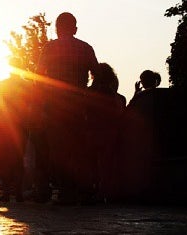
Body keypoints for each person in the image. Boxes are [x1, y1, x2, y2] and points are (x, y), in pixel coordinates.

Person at [35, 12, 100, 205]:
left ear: (56, 28)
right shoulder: (85, 48)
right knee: (77, 147)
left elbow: (39, 77)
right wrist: (88, 95)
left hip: (54, 105)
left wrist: (40, 103)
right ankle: (77, 189)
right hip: (78, 105)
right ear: (75, 28)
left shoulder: (49, 48)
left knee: (57, 148)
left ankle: (62, 188)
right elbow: (98, 75)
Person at [84, 63, 126, 203]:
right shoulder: (114, 95)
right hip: (109, 131)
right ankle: (104, 191)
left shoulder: (89, 92)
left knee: (92, 163)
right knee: (106, 164)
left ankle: (93, 190)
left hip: (92, 130)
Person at [0, 57, 32, 202]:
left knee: (5, 159)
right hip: (21, 126)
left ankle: (6, 192)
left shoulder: (2, 85)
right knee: (18, 159)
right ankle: (18, 192)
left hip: (5, 125)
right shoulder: (27, 85)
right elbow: (31, 106)